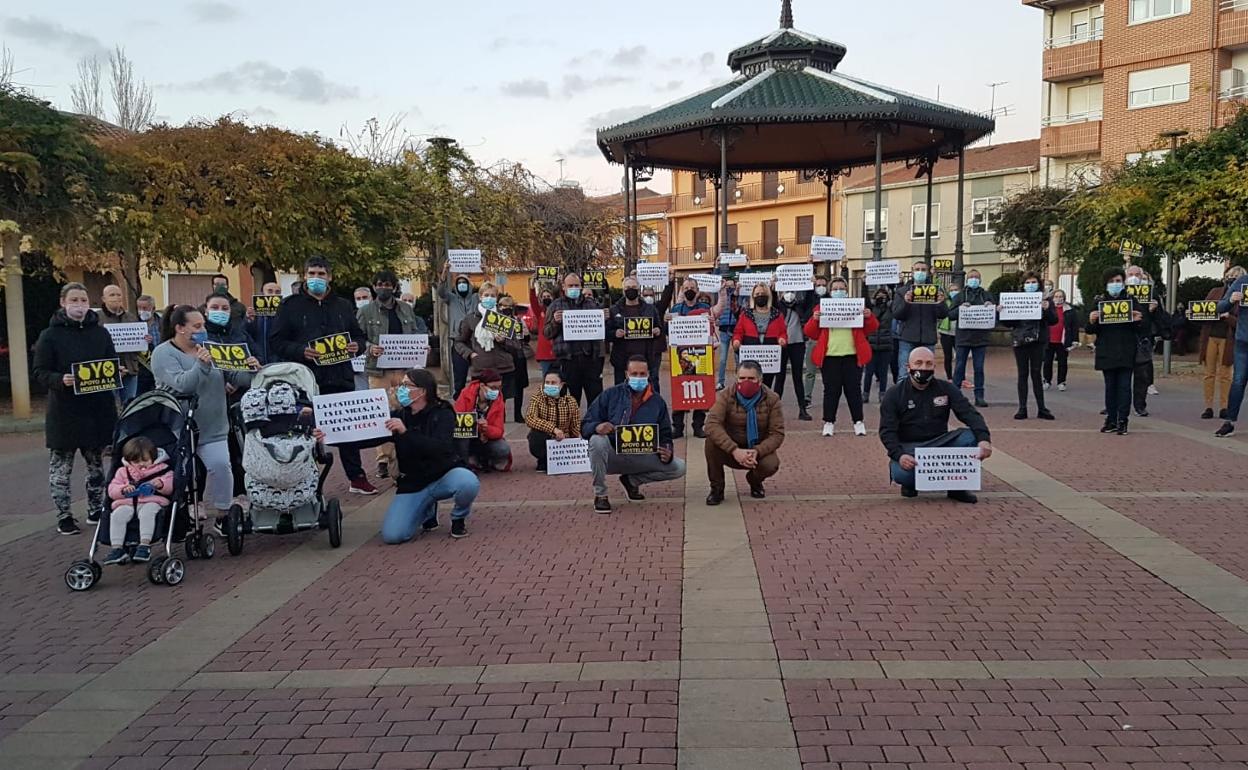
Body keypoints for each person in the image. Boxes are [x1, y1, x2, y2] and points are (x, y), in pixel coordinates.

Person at [268, 256, 374, 494]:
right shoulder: (290, 306)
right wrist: (300, 351)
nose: (317, 278)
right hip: (306, 379)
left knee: (348, 430)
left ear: (330, 277)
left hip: (340, 376)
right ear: (305, 276)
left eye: (321, 274)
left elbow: (358, 335)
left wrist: (358, 345)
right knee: (306, 429)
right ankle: (306, 479)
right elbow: (276, 341)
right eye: (312, 274)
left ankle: (356, 477)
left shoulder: (343, 305)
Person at [153, 304, 260, 534]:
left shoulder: (210, 346)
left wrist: (250, 370)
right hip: (180, 428)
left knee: (222, 467)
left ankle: (223, 514)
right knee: (183, 474)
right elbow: (183, 384)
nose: (203, 330)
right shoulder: (163, 353)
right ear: (180, 328)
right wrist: (201, 365)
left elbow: (233, 374)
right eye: (197, 326)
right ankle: (182, 516)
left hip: (214, 425)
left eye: (203, 325)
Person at [341, 368, 479, 541]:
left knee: (468, 482)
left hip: (443, 475)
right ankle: (426, 509)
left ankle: (458, 518)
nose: (401, 389)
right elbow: (368, 438)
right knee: (393, 535)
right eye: (401, 385)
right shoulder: (400, 415)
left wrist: (406, 433)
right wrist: (332, 437)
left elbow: (439, 448)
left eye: (406, 385)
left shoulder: (442, 413)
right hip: (413, 482)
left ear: (422, 391)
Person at [33, 283, 120, 535]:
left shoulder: (101, 333)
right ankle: (64, 515)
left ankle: (95, 509)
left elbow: (109, 363)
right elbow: (40, 371)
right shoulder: (49, 336)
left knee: (96, 467)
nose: (79, 305)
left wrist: (116, 372)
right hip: (65, 412)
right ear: (63, 302)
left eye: (83, 300)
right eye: (74, 300)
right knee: (61, 468)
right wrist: (60, 380)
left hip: (96, 410)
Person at [879, 346, 993, 503]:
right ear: (908, 367)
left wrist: (984, 439)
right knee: (901, 474)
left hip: (940, 444)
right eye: (918, 363)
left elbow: (969, 413)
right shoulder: (894, 394)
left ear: (934, 366)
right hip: (910, 447)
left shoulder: (946, 388)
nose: (923, 368)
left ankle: (957, 487)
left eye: (928, 364)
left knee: (970, 436)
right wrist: (899, 455)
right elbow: (887, 431)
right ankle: (910, 484)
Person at [582, 356, 686, 514]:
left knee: (679, 467)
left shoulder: (657, 402)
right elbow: (585, 425)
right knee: (597, 441)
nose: (639, 378)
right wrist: (597, 427)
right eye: (634, 373)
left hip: (641, 455)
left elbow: (665, 433)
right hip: (612, 455)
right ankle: (601, 494)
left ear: (649, 374)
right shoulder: (610, 395)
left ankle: (631, 481)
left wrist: (667, 450)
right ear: (626, 374)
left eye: (642, 374)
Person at [359, 269, 428, 480]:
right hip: (379, 370)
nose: (383, 288)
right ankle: (382, 459)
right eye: (380, 284)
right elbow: (357, 337)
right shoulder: (366, 311)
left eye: (388, 284)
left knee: (406, 410)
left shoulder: (406, 309)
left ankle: (403, 457)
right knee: (382, 414)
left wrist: (422, 346)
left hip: (405, 369)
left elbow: (416, 332)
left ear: (394, 287)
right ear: (374, 286)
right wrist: (370, 347)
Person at [803, 277, 878, 437]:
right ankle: (829, 422)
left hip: (852, 356)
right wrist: (814, 319)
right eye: (835, 288)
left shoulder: (855, 306)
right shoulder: (821, 308)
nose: (839, 291)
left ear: (846, 290)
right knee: (831, 391)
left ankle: (858, 422)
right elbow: (810, 333)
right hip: (830, 356)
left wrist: (868, 316)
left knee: (854, 390)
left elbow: (872, 328)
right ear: (830, 292)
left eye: (841, 288)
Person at [704, 360, 785, 504]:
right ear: (736, 379)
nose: (746, 382)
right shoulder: (725, 395)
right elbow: (712, 424)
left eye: (751, 379)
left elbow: (777, 433)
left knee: (771, 464)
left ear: (760, 381)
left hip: (756, 449)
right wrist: (734, 450)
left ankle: (754, 481)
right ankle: (717, 489)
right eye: (742, 378)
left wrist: (757, 451)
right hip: (731, 448)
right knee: (710, 443)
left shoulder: (772, 399)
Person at [1086, 267, 1146, 435]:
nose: (1115, 284)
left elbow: (1143, 327)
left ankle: (1122, 420)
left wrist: (1138, 320)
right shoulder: (1099, 301)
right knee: (1110, 386)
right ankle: (1111, 419)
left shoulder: (1131, 300)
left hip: (1126, 350)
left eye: (1118, 281)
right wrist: (1091, 321)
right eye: (1111, 282)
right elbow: (1090, 330)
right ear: (1106, 284)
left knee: (1125, 387)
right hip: (1106, 350)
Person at [665, 277, 726, 438]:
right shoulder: (676, 308)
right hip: (681, 355)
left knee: (702, 388)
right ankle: (677, 427)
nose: (689, 290)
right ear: (682, 291)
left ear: (697, 290)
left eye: (692, 287)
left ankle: (698, 426)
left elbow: (718, 313)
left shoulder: (706, 308)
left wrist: (712, 320)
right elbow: (668, 331)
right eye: (686, 288)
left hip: (701, 355)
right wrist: (667, 321)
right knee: (679, 388)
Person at [102, 436, 173, 565]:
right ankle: (117, 548)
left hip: (152, 501)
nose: (141, 464)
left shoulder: (163, 469)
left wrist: (161, 484)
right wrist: (123, 489)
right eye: (136, 461)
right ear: (129, 460)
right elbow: (112, 489)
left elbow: (171, 485)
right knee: (117, 515)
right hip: (127, 503)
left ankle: (144, 545)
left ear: (153, 457)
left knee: (148, 512)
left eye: (145, 460)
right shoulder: (122, 472)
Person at [455, 281, 522, 413]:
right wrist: (470, 354)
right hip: (481, 369)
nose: (489, 298)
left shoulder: (505, 319)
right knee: (480, 407)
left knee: (498, 409)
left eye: (493, 295)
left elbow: (516, 345)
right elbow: (459, 342)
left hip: (503, 369)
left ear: (497, 298)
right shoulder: (471, 319)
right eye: (486, 295)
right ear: (480, 297)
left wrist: (503, 341)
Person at [545, 272, 607, 408]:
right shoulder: (555, 306)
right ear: (563, 287)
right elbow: (547, 333)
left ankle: (593, 426)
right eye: (570, 285)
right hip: (567, 360)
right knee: (570, 401)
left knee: (596, 398)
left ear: (581, 286)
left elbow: (601, 331)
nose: (573, 288)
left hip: (590, 359)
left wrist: (604, 319)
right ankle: (570, 426)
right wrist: (555, 322)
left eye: (576, 285)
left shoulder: (591, 304)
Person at [1002, 272, 1057, 420]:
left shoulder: (1046, 300)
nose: (1030, 285)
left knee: (1036, 373)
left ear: (1038, 284)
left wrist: (1046, 309)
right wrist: (1002, 312)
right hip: (1020, 340)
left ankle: (1042, 408)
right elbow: (1009, 323)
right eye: (1028, 282)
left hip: (1038, 340)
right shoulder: (1016, 299)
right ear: (1023, 285)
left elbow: (1053, 320)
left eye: (1033, 282)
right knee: (1022, 374)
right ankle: (1022, 408)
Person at [608, 275, 665, 391]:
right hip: (622, 360)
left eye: (634, 287)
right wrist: (615, 334)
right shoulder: (614, 310)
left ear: (639, 290)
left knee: (651, 392)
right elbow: (606, 333)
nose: (631, 289)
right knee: (622, 393)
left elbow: (660, 328)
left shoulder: (650, 309)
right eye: (628, 287)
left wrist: (658, 330)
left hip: (647, 359)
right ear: (623, 291)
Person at [1200, 267, 1243, 420]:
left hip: (1228, 339)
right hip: (1211, 336)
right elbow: (1203, 310)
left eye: (1236, 276)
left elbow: (1241, 322)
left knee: (1225, 374)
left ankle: (1224, 406)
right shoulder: (1215, 291)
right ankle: (1208, 406)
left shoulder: (1243, 296)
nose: (1231, 278)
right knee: (1209, 373)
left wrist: (1228, 317)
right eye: (1229, 275)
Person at [1127, 267, 1170, 417]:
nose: (1134, 278)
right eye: (1130, 275)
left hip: (1143, 339)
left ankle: (1140, 405)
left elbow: (1160, 320)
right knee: (1120, 375)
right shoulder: (1121, 293)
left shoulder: (1151, 295)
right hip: (1122, 339)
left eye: (1137, 275)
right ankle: (1115, 403)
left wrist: (1154, 310)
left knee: (1141, 375)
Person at [891, 261, 948, 373]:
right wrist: (906, 302)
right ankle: (904, 391)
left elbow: (943, 314)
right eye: (917, 270)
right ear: (912, 272)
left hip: (928, 338)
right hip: (907, 338)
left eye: (923, 270)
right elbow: (897, 314)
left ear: (928, 273)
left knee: (927, 372)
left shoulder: (935, 291)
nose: (920, 272)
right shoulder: (902, 292)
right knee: (904, 372)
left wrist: (941, 303)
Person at [948, 270, 994, 407]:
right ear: (967, 280)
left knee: (979, 368)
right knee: (959, 367)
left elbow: (995, 316)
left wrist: (990, 308)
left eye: (976, 277)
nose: (974, 279)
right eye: (971, 277)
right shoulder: (960, 296)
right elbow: (950, 314)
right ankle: (955, 396)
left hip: (980, 338)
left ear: (980, 280)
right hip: (963, 337)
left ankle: (979, 396)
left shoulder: (986, 295)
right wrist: (960, 309)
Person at [732, 284, 788, 393]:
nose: (760, 296)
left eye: (763, 294)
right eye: (757, 294)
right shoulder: (745, 314)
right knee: (751, 384)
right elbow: (738, 331)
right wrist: (736, 340)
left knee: (767, 385)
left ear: (768, 296)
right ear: (753, 296)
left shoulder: (777, 314)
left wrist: (782, 339)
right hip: (751, 352)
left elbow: (783, 332)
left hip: (770, 354)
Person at [453, 369, 512, 472]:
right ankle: (465, 463)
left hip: (486, 438)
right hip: (467, 436)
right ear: (482, 386)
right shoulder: (466, 394)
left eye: (499, 388)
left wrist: (486, 429)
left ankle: (485, 460)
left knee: (503, 448)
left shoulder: (499, 400)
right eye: (493, 388)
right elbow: (457, 420)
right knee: (462, 440)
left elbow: (499, 430)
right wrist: (476, 426)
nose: (496, 391)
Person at [525, 367, 582, 471]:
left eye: (553, 383)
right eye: (547, 382)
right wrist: (553, 429)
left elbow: (575, 425)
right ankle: (543, 460)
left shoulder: (571, 401)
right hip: (545, 437)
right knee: (535, 436)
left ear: (561, 385)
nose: (549, 385)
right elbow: (530, 418)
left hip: (564, 440)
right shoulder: (537, 398)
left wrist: (576, 443)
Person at [436, 265, 479, 398]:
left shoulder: (476, 298)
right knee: (459, 375)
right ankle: (458, 402)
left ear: (469, 285)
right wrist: (444, 271)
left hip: (476, 341)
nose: (462, 285)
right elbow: (441, 291)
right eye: (459, 283)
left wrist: (486, 272)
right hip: (459, 341)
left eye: (464, 283)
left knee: (478, 375)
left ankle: (475, 400)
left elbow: (488, 289)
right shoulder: (452, 298)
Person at [1215, 268, 1248, 437]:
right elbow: (1220, 306)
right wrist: (1231, 300)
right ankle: (1229, 421)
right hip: (1244, 341)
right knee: (1238, 381)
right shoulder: (1242, 281)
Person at [774, 286, 814, 420]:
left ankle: (802, 409)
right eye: (786, 291)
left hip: (797, 343)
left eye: (791, 291)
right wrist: (773, 287)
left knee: (798, 378)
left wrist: (810, 286)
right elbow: (771, 301)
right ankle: (775, 410)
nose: (789, 294)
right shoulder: (778, 306)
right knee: (779, 378)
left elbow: (810, 303)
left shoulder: (799, 306)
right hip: (781, 343)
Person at [99, 284, 142, 406]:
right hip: (107, 370)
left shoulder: (131, 317)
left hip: (130, 368)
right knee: (108, 405)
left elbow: (139, 344)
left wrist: (144, 340)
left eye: (118, 295)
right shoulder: (97, 318)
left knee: (130, 405)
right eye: (112, 295)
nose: (116, 297)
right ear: (104, 299)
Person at [497, 294, 529, 422]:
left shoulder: (519, 321)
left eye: (508, 306)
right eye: (502, 306)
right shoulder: (496, 321)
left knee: (519, 386)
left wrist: (524, 333)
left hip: (518, 357)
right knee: (503, 387)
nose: (505, 308)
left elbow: (526, 338)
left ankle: (518, 413)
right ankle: (501, 413)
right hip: (503, 357)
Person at [802, 275, 830, 410]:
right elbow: (806, 309)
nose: (821, 287)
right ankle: (807, 397)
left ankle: (829, 396)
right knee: (810, 371)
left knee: (828, 372)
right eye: (818, 285)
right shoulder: (810, 300)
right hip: (814, 340)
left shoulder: (831, 299)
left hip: (829, 339)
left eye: (823, 285)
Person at [862, 286, 894, 404]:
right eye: (879, 296)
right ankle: (865, 394)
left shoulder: (890, 308)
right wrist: (864, 284)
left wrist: (897, 285)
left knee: (883, 372)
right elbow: (864, 299)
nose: (881, 298)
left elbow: (896, 301)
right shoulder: (871, 308)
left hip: (886, 345)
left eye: (884, 296)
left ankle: (882, 394)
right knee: (869, 372)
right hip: (871, 345)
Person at [1043, 289, 1080, 392]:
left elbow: (1074, 326)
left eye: (1060, 297)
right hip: (1049, 340)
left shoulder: (1070, 310)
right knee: (1047, 362)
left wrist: (1075, 339)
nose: (1058, 299)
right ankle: (1046, 381)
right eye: (1056, 296)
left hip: (1062, 340)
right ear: (1052, 298)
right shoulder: (1048, 309)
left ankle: (1061, 382)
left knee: (1063, 363)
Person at [246, 281, 283, 364]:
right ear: (262, 294)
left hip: (278, 362)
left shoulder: (285, 314)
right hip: (259, 361)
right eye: (270, 291)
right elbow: (245, 336)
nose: (273, 295)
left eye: (277, 292)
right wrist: (249, 321)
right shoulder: (254, 315)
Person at [528, 277, 558, 377]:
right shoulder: (539, 312)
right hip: (544, 353)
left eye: (548, 296)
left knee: (562, 380)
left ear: (553, 297)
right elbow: (533, 301)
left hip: (558, 351)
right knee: (547, 381)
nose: (546, 298)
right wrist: (532, 287)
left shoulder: (558, 310)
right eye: (544, 296)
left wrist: (560, 283)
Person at [715, 278, 740, 390]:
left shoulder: (738, 297)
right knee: (722, 358)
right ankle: (720, 382)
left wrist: (737, 293)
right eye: (727, 286)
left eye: (731, 285)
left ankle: (740, 380)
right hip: (724, 329)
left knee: (738, 358)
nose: (729, 287)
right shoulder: (721, 296)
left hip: (736, 329)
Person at [135, 294, 162, 396]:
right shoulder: (134, 324)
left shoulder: (162, 323)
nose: (141, 311)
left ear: (153, 309)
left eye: (145, 308)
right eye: (139, 308)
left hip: (160, 366)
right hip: (142, 369)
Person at [936, 282, 960, 381]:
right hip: (945, 332)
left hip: (958, 333)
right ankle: (949, 377)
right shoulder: (945, 302)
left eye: (955, 290)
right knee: (948, 356)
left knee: (960, 356)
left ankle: (959, 376)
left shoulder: (962, 301)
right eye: (951, 290)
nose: (953, 292)